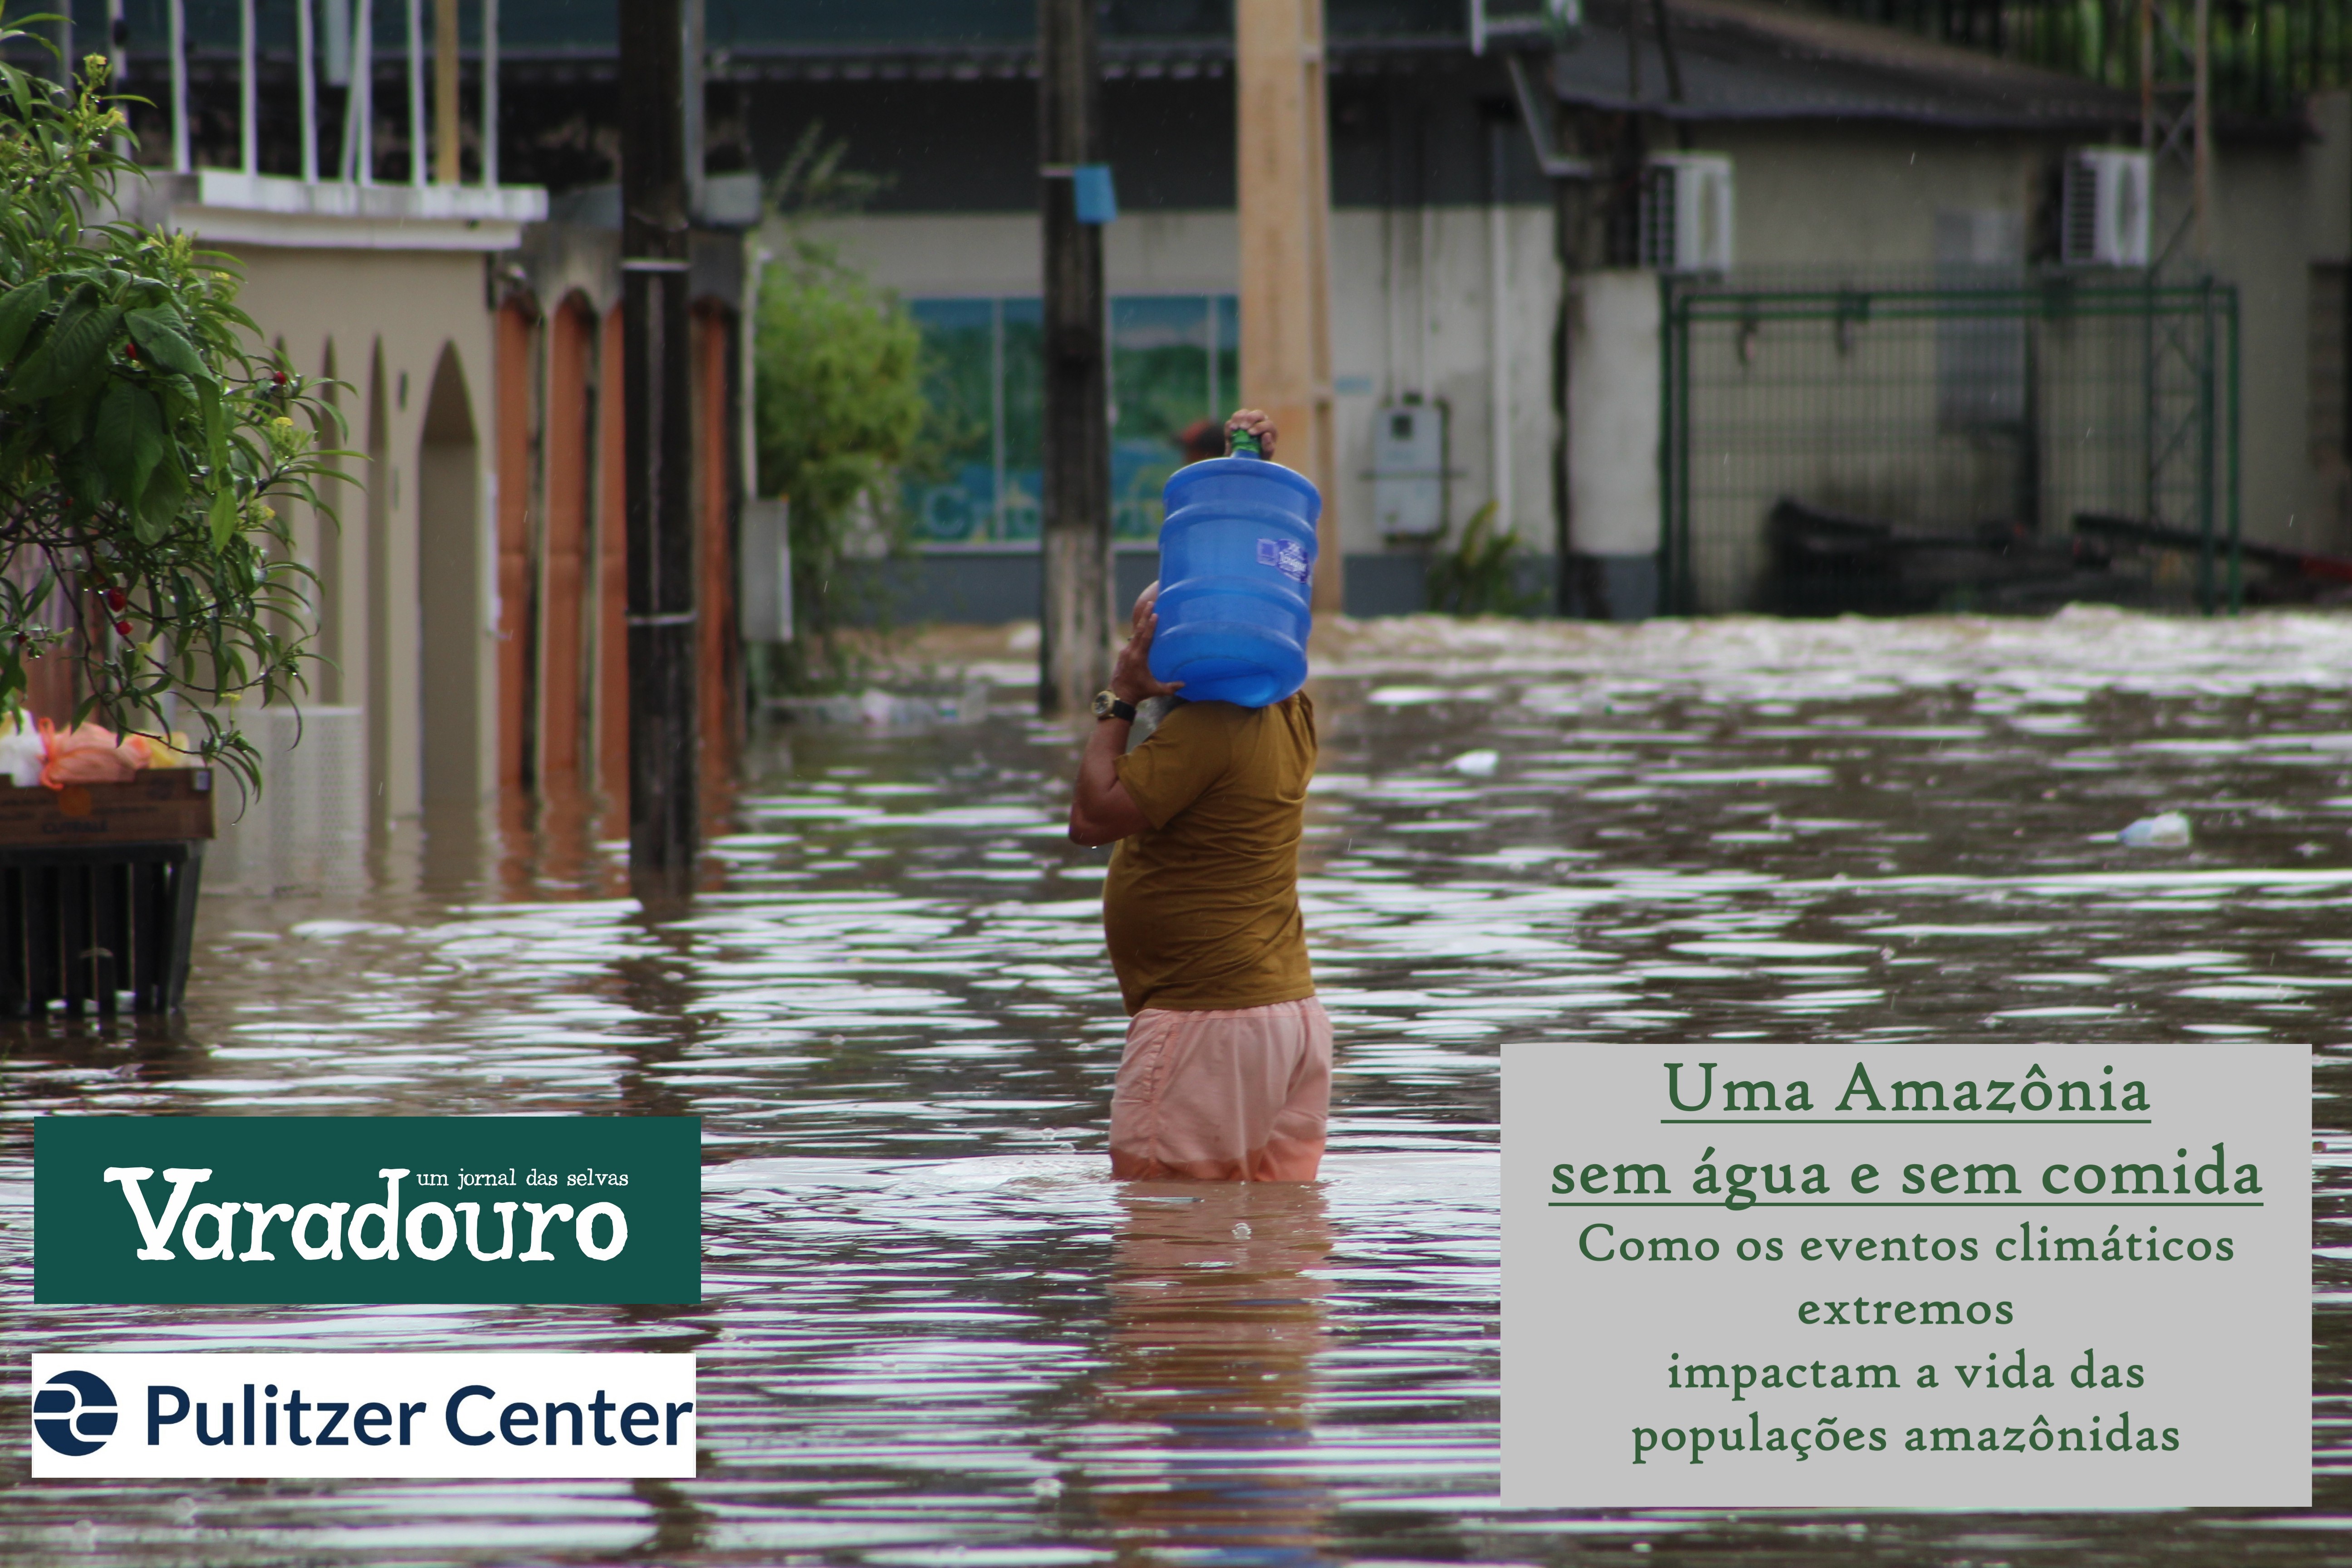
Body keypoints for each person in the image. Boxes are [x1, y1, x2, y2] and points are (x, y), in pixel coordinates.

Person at [1068, 409, 1330, 1182]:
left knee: (1167, 1261)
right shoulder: (1292, 715)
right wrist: (1244, 477)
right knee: (1277, 1264)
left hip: (1206, 1031)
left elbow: (1091, 817)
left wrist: (1118, 696)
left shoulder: (1207, 731)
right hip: (1291, 1026)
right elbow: (1263, 578)